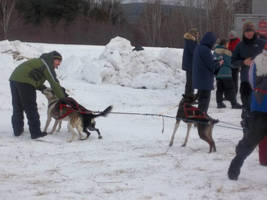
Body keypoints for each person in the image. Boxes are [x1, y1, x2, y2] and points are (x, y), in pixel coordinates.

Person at [228, 44, 267, 180]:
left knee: (250, 140)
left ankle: (235, 165)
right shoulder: (258, 61)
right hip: (261, 108)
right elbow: (252, 82)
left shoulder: (257, 60)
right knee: (250, 140)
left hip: (259, 105)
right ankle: (235, 167)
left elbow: (252, 82)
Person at [9, 51, 66, 139]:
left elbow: (34, 77)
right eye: (58, 62)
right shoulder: (47, 64)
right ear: (53, 59)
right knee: (31, 107)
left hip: (14, 79)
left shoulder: (39, 62)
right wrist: (63, 98)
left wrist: (42, 88)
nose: (58, 65)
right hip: (25, 82)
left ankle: (17, 130)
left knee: (18, 106)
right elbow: (54, 83)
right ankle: (35, 133)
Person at [231, 22, 265, 137]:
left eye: (250, 31)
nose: (249, 33)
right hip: (246, 82)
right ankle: (247, 134)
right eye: (246, 31)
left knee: (261, 110)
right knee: (247, 109)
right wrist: (243, 62)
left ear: (254, 31)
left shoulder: (262, 43)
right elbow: (232, 62)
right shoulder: (240, 46)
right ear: (244, 33)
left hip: (262, 83)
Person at [192, 32, 223, 115]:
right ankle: (202, 117)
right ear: (210, 41)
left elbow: (206, 62)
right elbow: (212, 65)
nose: (213, 44)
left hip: (200, 78)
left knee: (202, 100)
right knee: (205, 100)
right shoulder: (206, 50)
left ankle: (200, 116)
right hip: (204, 79)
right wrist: (219, 63)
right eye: (213, 42)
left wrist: (215, 61)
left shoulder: (199, 47)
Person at [213, 39, 242, 109]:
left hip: (218, 72)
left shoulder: (215, 51)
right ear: (225, 44)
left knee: (220, 89)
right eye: (227, 43)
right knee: (231, 88)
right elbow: (231, 63)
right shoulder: (227, 52)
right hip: (226, 73)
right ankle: (234, 104)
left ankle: (219, 103)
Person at [181, 28, 199, 99]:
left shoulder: (189, 41)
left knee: (190, 81)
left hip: (189, 64)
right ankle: (189, 96)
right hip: (190, 65)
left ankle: (188, 95)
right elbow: (194, 51)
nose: (197, 36)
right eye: (196, 34)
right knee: (190, 82)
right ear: (193, 34)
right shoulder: (190, 41)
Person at [227, 30, 240, 95]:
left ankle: (234, 93)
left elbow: (236, 52)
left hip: (235, 63)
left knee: (234, 79)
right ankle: (230, 93)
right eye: (230, 36)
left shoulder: (237, 42)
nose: (230, 37)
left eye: (232, 36)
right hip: (230, 62)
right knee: (230, 79)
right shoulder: (230, 42)